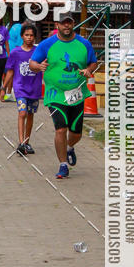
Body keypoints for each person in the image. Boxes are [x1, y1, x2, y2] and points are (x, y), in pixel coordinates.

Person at [30, 11, 98, 179]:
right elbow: (32, 63)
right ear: (57, 25)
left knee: (76, 133)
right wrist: (38, 67)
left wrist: (88, 70)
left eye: (69, 22)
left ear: (72, 24)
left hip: (77, 93)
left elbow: (93, 62)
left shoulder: (84, 43)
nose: (66, 25)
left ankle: (69, 147)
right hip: (55, 94)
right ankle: (63, 165)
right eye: (63, 23)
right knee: (60, 129)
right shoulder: (47, 44)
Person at [3, 21, 43, 154]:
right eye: (26, 35)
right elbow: (10, 71)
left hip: (35, 88)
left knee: (30, 115)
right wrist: (3, 88)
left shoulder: (38, 52)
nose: (29, 37)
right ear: (22, 36)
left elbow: (45, 67)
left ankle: (27, 141)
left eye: (32, 35)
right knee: (22, 113)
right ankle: (20, 143)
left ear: (35, 37)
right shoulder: (15, 52)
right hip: (20, 88)